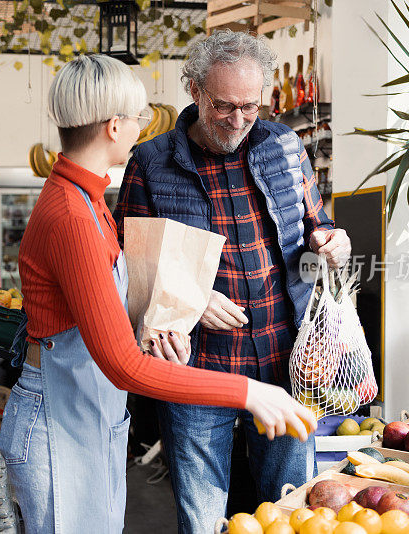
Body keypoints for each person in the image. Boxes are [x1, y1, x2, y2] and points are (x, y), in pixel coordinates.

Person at [0, 53, 317, 534]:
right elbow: (122, 366)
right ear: (113, 126)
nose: (142, 129)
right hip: (58, 419)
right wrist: (247, 391)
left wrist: (156, 325)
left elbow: (104, 312)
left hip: (83, 411)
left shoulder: (89, 201)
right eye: (138, 118)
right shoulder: (72, 216)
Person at [113, 30, 352, 531]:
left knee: (290, 509)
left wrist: (332, 241)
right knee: (202, 519)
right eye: (224, 106)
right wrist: (191, 299)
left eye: (250, 106)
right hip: (198, 371)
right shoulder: (149, 163)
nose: (239, 120)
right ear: (194, 89)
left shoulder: (285, 145)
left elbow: (317, 224)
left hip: (288, 363)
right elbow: (127, 270)